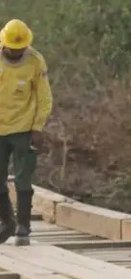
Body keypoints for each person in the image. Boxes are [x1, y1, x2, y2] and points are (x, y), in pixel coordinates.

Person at [0, 18, 53, 245]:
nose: (16, 53)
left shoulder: (35, 62)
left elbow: (44, 97)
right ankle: (6, 221)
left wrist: (38, 126)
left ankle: (23, 226)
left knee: (23, 178)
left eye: (20, 49)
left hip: (24, 128)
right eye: (12, 50)